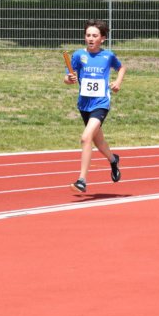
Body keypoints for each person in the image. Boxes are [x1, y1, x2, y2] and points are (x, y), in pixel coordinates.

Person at [64, 19, 126, 193]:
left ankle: (82, 180)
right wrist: (69, 79)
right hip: (84, 105)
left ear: (102, 38)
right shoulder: (78, 55)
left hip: (101, 103)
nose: (91, 38)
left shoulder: (108, 56)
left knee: (86, 138)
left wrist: (118, 82)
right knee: (99, 142)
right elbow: (68, 77)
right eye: (88, 35)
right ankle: (113, 160)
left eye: (95, 36)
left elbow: (121, 68)